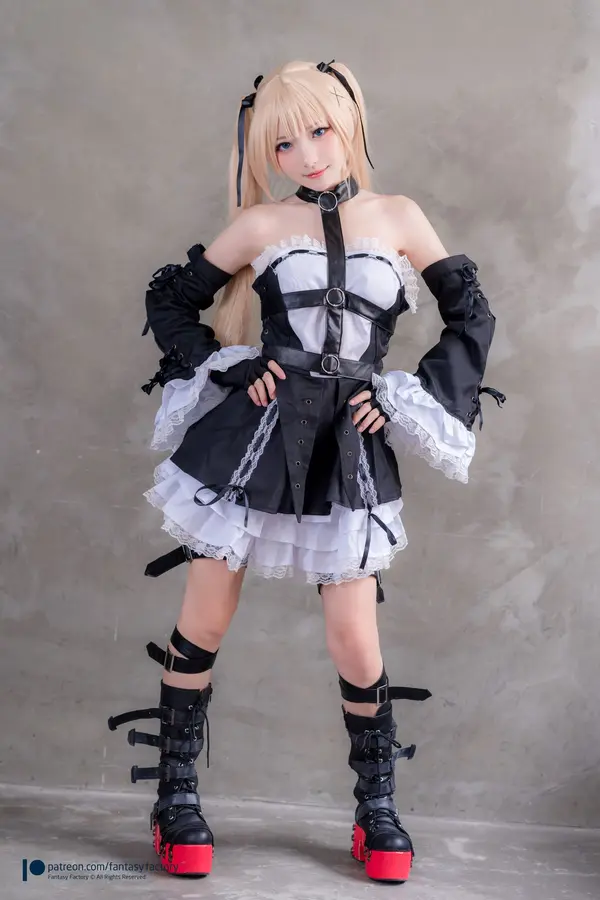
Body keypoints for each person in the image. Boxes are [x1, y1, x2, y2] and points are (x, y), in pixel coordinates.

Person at [108, 59, 504, 883]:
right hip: (252, 439)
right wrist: (229, 367)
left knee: (355, 638)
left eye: (319, 131)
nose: (307, 154)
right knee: (206, 617)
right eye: (283, 144)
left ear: (349, 119)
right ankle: (175, 798)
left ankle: (377, 809)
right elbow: (172, 302)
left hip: (347, 446)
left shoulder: (399, 216)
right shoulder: (260, 224)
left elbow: (471, 315)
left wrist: (404, 396)